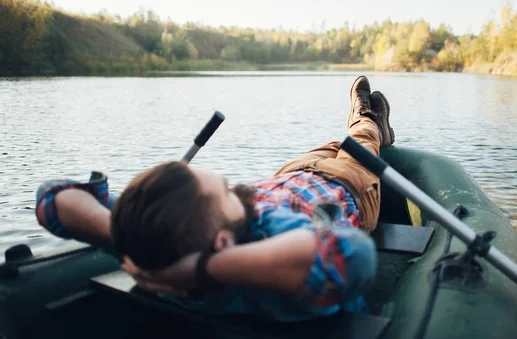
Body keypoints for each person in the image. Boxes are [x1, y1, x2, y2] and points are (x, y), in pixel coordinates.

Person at [35, 75, 395, 322]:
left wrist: (124, 235)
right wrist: (201, 268)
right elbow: (354, 256)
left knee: (332, 144)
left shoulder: (158, 242)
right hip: (348, 188)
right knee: (361, 142)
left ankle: (364, 124)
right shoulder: (269, 237)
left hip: (288, 176)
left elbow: (50, 198)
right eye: (223, 191)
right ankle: (367, 120)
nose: (225, 180)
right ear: (221, 243)